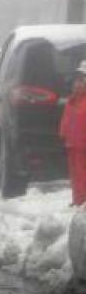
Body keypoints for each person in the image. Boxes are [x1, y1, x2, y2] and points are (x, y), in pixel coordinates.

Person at [62, 61, 86, 207]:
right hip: (73, 145)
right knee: (75, 174)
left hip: (83, 145)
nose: (77, 85)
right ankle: (78, 199)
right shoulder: (71, 102)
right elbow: (66, 122)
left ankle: (83, 200)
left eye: (82, 82)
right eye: (76, 81)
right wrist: (64, 136)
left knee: (83, 173)